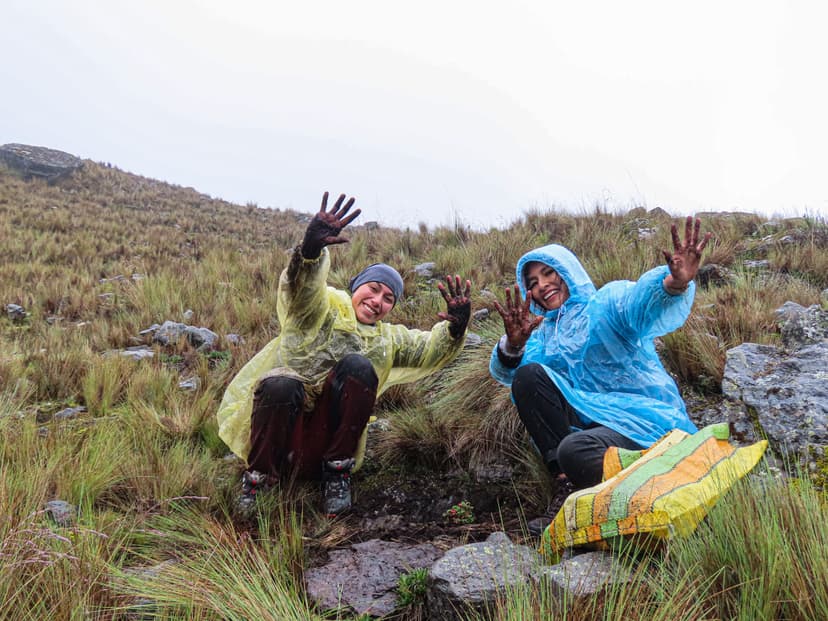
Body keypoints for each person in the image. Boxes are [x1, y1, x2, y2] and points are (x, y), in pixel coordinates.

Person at [217, 192, 472, 516]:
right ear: (357, 286)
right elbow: (301, 292)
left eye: (389, 298)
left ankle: (336, 474)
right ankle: (259, 480)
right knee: (280, 383)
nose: (378, 300)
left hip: (323, 445)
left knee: (359, 367)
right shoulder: (323, 308)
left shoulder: (388, 338)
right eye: (374, 288)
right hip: (282, 438)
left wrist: (456, 328)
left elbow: (429, 349)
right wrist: (309, 253)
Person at [490, 216, 711, 496]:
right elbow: (511, 376)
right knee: (531, 382)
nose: (543, 285)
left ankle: (656, 475)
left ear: (568, 271)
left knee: (574, 449)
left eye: (549, 273)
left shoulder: (606, 305)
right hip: (594, 435)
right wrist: (514, 344)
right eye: (533, 282)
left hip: (642, 424)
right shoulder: (542, 337)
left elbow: (639, 306)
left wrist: (672, 284)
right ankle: (567, 485)